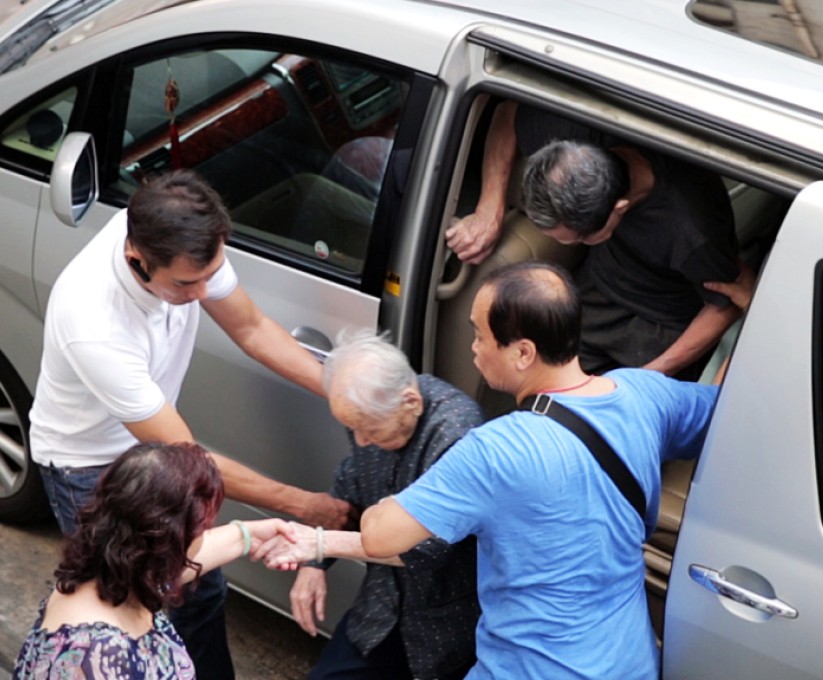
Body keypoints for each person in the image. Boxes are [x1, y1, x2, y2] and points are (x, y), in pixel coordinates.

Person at [28, 169, 350, 679]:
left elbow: (251, 326)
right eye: (186, 284)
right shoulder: (93, 320)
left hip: (157, 457)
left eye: (212, 274)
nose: (205, 292)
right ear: (137, 257)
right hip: (91, 469)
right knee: (136, 610)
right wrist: (303, 505)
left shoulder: (184, 242)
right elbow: (190, 458)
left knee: (199, 591)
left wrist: (345, 391)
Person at [355, 261, 719, 679]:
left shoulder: (494, 451)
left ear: (523, 352)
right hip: (629, 665)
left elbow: (379, 537)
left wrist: (382, 503)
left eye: (480, 335)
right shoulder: (643, 395)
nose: (474, 347)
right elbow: (727, 410)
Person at [447, 101, 742, 380]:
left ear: (619, 210)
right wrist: (490, 208)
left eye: (576, 239)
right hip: (596, 287)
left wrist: (651, 375)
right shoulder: (571, 140)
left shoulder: (691, 230)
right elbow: (509, 112)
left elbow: (726, 304)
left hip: (660, 324)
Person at [257, 330, 483, 680]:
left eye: (370, 430)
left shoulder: (457, 432)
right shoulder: (369, 416)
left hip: (445, 622)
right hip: (382, 605)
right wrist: (315, 564)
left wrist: (316, 543)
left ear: (412, 401)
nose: (362, 441)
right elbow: (352, 483)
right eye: (353, 429)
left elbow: (427, 547)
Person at [14, 441, 296, 679]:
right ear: (173, 537)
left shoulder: (114, 569)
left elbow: (184, 564)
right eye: (203, 525)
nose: (206, 532)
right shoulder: (97, 655)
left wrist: (246, 535)